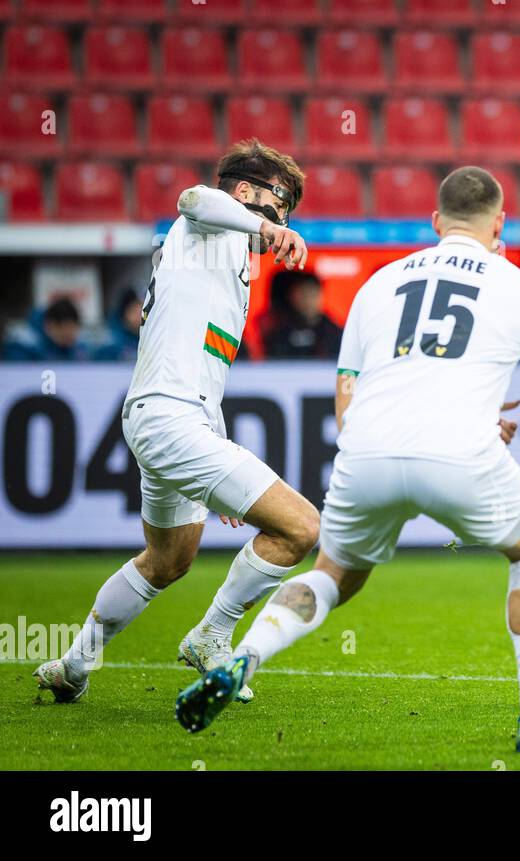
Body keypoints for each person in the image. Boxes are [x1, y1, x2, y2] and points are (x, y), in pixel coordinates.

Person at [174, 166, 520, 753]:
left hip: (366, 453)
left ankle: (245, 657)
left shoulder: (379, 285)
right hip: (461, 456)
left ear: (436, 222)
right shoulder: (517, 288)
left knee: (331, 576)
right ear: (500, 223)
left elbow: (347, 396)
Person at [35, 139, 318, 705]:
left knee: (168, 560)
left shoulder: (231, 263)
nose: (283, 221)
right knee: (301, 528)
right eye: (278, 206)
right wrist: (263, 228)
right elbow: (194, 198)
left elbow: (203, 370)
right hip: (167, 421)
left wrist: (214, 449)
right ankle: (211, 633)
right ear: (244, 193)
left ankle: (73, 664)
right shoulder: (208, 226)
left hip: (177, 420)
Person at [259, 269, 344, 359]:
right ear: (291, 297)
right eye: (303, 294)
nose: (308, 301)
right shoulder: (277, 330)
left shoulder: (333, 331)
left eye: (313, 294)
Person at [3, 297, 91, 361]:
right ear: (49, 326)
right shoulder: (23, 344)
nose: (69, 337)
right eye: (64, 334)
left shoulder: (78, 346)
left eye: (73, 331)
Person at [93, 289, 143, 362]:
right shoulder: (109, 340)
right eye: (134, 310)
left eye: (142, 310)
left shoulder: (149, 337)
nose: (140, 316)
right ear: (124, 311)